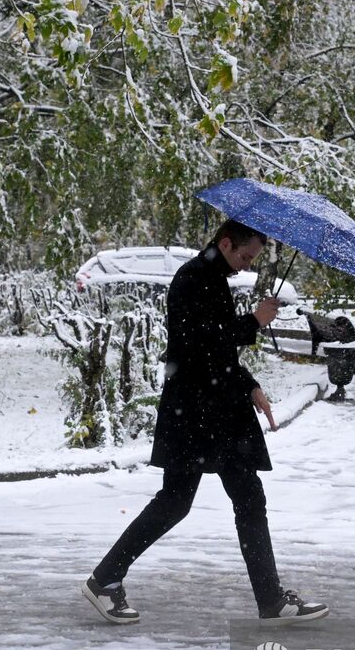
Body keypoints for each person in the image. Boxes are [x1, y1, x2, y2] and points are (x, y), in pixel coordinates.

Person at [81, 219, 329, 626]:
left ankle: (107, 579)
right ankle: (107, 579)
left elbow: (218, 353)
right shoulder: (193, 279)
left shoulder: (211, 277)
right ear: (226, 243)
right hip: (199, 413)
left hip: (210, 411)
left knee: (227, 499)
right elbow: (199, 345)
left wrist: (249, 384)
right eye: (246, 255)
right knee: (189, 501)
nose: (248, 264)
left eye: (253, 258)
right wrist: (254, 322)